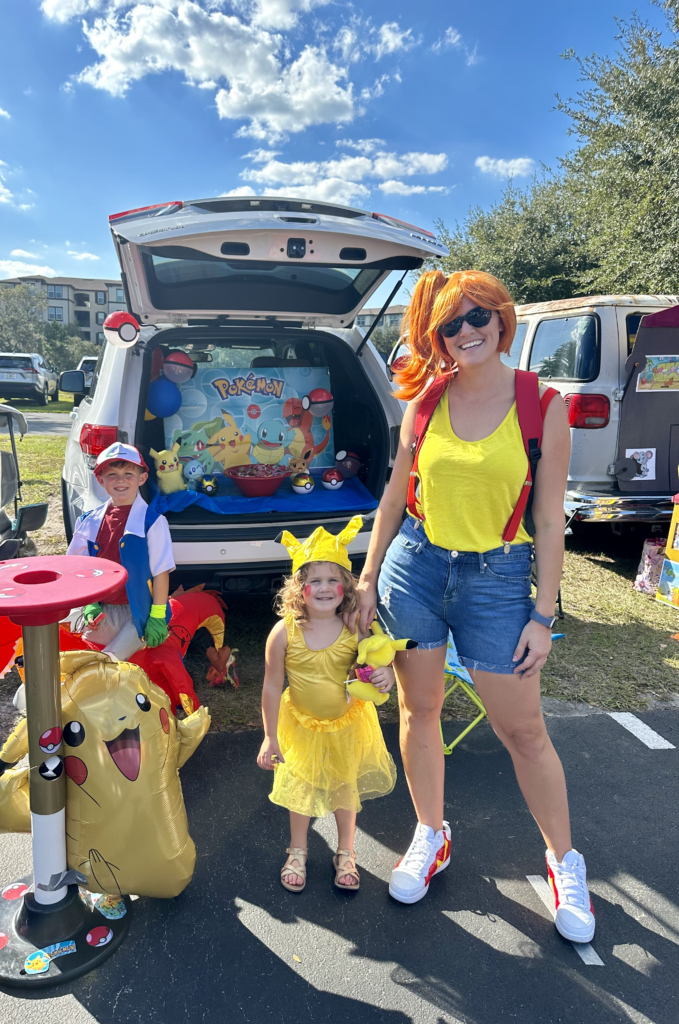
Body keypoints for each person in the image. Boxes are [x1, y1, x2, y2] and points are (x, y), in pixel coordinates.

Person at [352, 270, 595, 944]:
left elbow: (550, 520)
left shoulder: (540, 403)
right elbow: (394, 499)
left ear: (501, 316)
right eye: (451, 323)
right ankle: (431, 834)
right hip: (416, 569)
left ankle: (563, 863)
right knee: (418, 709)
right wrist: (369, 576)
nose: (467, 331)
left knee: (522, 731)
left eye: (478, 314)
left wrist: (543, 615)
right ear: (435, 335)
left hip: (497, 578)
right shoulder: (425, 400)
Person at [257, 517, 397, 893]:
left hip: (347, 723)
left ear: (347, 586)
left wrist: (388, 676)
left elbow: (376, 666)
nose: (323, 588)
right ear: (298, 589)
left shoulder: (355, 628)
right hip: (299, 725)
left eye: (332, 579)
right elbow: (271, 687)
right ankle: (297, 850)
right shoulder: (284, 631)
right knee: (300, 787)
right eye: (313, 581)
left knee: (343, 787)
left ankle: (346, 852)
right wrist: (270, 737)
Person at [67, 442, 174, 660]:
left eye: (128, 473)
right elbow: (77, 569)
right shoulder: (88, 521)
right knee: (69, 648)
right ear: (101, 480)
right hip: (102, 609)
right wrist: (89, 603)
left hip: (139, 613)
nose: (121, 480)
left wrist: (157, 616)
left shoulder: (153, 523)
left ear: (142, 478)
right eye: (112, 474)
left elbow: (161, 573)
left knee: (109, 660)